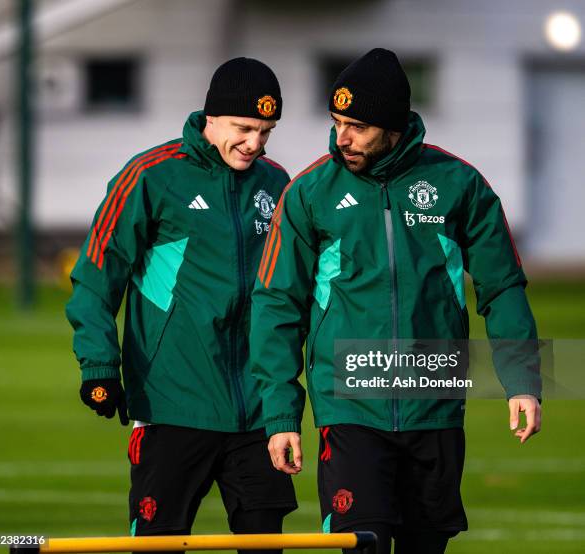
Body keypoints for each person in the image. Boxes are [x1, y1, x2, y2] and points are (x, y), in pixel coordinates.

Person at [250, 48, 542, 554]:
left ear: (394, 125)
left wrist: (523, 381)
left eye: (358, 126)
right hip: (349, 406)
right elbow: (277, 304)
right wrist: (280, 415)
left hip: (435, 401)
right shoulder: (309, 192)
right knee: (361, 541)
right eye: (337, 122)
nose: (343, 138)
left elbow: (503, 288)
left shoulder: (460, 185)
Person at [66, 57, 297, 551]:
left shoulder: (277, 184)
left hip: (258, 412)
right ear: (210, 118)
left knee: (266, 546)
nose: (254, 143)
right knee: (158, 544)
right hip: (172, 403)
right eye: (243, 128)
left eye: (266, 131)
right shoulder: (151, 176)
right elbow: (93, 278)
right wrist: (99, 366)